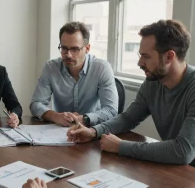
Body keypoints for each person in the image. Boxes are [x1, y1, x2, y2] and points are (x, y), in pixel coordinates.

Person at [67, 19, 195, 166]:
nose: (140, 63)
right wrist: (94, 132)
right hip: (178, 169)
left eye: (146, 56)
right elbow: (129, 118)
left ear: (169, 57)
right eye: (140, 55)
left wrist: (121, 146)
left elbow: (183, 151)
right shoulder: (153, 82)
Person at [30, 22, 118, 127]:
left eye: (75, 49)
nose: (68, 55)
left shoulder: (101, 68)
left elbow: (111, 110)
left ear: (87, 48)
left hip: (93, 130)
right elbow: (36, 104)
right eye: (64, 48)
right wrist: (55, 116)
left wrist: (84, 119)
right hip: (61, 130)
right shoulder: (51, 68)